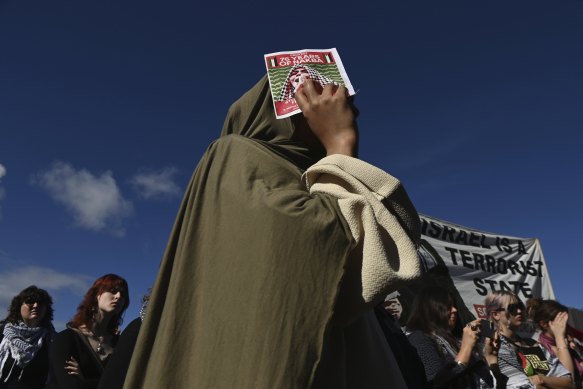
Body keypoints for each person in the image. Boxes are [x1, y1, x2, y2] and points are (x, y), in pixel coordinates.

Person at [124, 75, 423, 389]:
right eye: (315, 93)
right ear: (283, 110)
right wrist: (340, 145)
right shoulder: (234, 155)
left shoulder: (315, 178)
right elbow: (318, 250)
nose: (344, 106)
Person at [405, 285, 496, 389]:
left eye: (454, 305)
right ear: (430, 309)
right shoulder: (419, 339)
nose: (454, 310)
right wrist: (466, 348)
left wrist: (490, 354)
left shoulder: (456, 339)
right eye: (447, 306)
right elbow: (438, 383)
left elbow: (486, 380)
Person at [50, 274, 129, 389]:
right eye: (113, 291)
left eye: (123, 295)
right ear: (97, 295)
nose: (118, 296)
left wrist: (85, 381)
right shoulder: (66, 339)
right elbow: (70, 386)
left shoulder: (120, 343)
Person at [485, 291, 574, 389]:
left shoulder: (534, 344)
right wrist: (552, 382)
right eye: (512, 308)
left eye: (521, 306)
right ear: (496, 314)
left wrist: (539, 380)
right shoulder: (496, 347)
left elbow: (569, 383)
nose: (519, 311)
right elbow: (522, 387)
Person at [0, 286, 55, 389]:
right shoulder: (2, 332)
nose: (35, 305)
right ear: (18, 306)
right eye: (30, 301)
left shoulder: (52, 339)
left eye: (41, 303)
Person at [527, 298, 582, 383]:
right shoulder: (540, 350)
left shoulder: (567, 343)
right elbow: (568, 381)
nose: (565, 326)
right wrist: (559, 336)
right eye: (560, 321)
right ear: (544, 324)